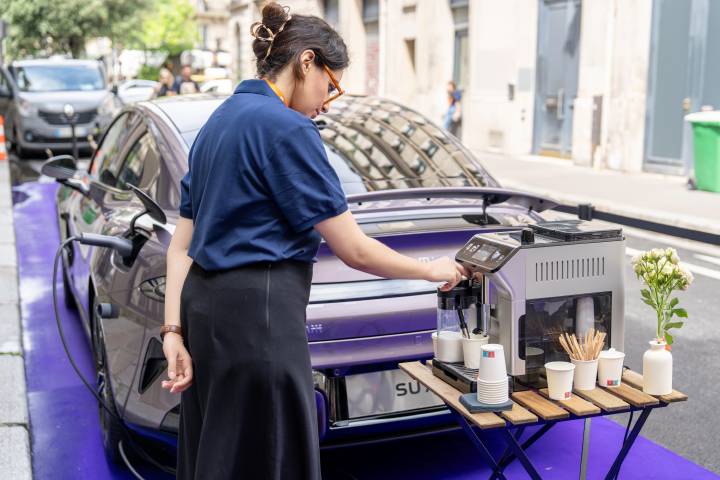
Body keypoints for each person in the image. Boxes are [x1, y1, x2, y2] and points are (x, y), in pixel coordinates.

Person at [161, 3, 468, 479]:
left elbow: (180, 247)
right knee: (272, 455)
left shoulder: (216, 125)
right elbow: (354, 249)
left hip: (205, 315)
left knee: (218, 455)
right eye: (330, 85)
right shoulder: (288, 129)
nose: (327, 101)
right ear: (307, 62)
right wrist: (432, 268)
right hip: (260, 317)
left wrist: (173, 333)